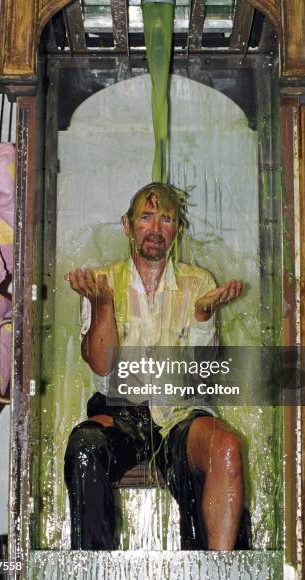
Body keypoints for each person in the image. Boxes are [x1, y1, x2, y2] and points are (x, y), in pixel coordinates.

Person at [64, 182, 250, 551]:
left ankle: (221, 574)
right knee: (84, 446)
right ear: (127, 225)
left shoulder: (199, 282)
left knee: (226, 447)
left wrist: (202, 314)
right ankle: (91, 572)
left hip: (179, 412)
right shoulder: (104, 281)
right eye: (146, 217)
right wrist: (103, 306)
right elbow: (102, 366)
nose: (155, 228)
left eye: (165, 219)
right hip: (121, 415)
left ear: (177, 228)